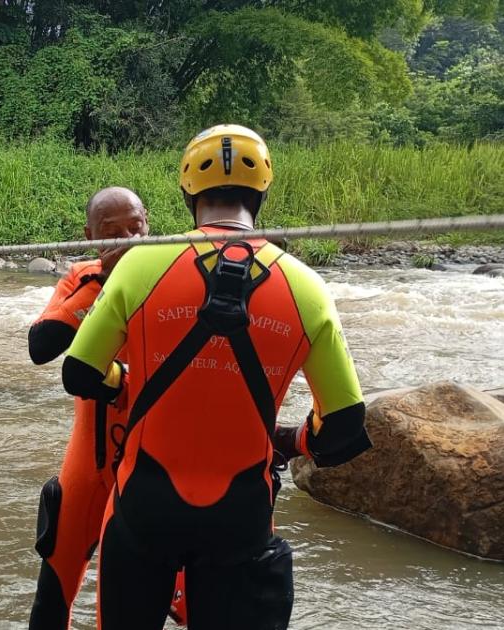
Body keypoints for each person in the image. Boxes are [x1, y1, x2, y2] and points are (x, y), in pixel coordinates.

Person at [62, 125, 371, 630]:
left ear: (188, 192)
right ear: (263, 192)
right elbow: (343, 427)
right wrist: (293, 440)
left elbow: (79, 372)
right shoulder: (308, 289)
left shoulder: (140, 264)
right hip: (240, 515)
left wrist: (128, 383)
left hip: (143, 505)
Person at [27, 188, 196, 629]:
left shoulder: (180, 275)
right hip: (90, 462)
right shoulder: (81, 278)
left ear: (149, 223)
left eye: (134, 227)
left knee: (185, 599)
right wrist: (106, 281)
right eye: (111, 232)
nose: (127, 238)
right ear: (90, 235)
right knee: (54, 589)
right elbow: (41, 346)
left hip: (158, 465)